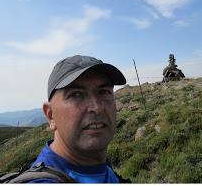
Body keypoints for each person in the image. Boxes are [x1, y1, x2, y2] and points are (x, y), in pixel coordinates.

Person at [28, 55, 130, 183]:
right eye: (76, 94)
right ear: (50, 115)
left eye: (103, 92)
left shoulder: (96, 166)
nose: (97, 107)